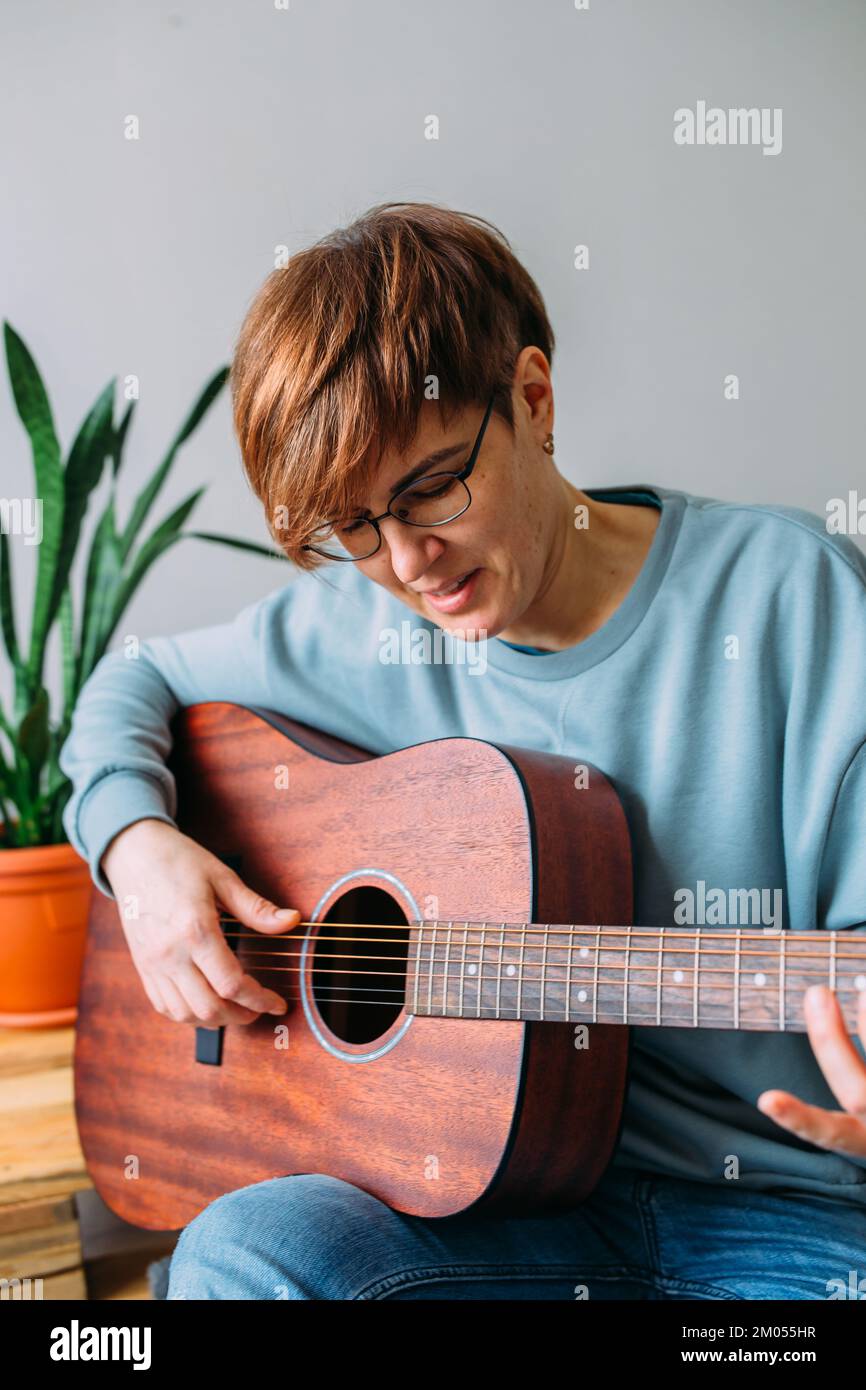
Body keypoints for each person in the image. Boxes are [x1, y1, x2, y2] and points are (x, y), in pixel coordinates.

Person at [60, 201, 866, 1300]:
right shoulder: (364, 623)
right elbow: (134, 677)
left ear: (532, 400)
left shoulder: (788, 597)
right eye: (352, 527)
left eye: (432, 486)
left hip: (793, 1217)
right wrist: (138, 849)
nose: (406, 560)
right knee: (241, 1255)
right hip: (498, 1213)